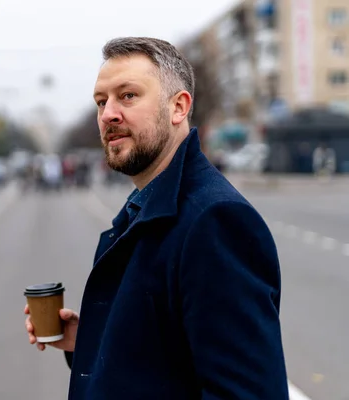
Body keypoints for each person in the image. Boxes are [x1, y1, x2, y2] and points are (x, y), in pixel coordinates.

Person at [24, 37, 288, 399]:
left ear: (178, 107)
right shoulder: (144, 206)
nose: (108, 114)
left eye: (128, 95)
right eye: (102, 101)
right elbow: (166, 357)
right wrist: (90, 340)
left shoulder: (215, 221)